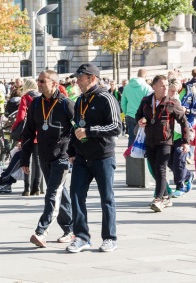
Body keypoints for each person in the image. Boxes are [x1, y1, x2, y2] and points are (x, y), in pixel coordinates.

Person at [65, 63, 122, 253]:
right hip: (82, 157)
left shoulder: (107, 98)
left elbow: (116, 127)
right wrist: (72, 151)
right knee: (76, 195)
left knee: (106, 198)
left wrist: (90, 131)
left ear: (92, 78)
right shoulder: (80, 100)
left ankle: (109, 238)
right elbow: (76, 126)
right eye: (77, 79)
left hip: (103, 156)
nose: (77, 82)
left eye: (80, 79)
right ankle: (81, 237)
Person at [21, 70, 75, 248]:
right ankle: (70, 229)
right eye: (38, 81)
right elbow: (28, 132)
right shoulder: (36, 104)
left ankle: (41, 231)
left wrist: (73, 152)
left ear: (54, 83)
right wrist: (24, 159)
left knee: (52, 193)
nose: (39, 83)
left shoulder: (66, 104)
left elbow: (78, 129)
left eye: (43, 81)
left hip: (62, 156)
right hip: (44, 156)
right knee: (61, 193)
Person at [136, 75, 190, 213]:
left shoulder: (172, 103)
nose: (165, 88)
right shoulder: (146, 101)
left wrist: (185, 141)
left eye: (167, 85)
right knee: (154, 170)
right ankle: (166, 196)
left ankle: (158, 199)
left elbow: (183, 121)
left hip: (165, 141)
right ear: (154, 87)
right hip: (150, 141)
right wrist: (140, 120)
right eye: (162, 86)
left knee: (161, 169)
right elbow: (138, 114)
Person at [0, 78, 42, 196]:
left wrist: (15, 128)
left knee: (26, 161)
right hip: (40, 133)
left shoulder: (25, 98)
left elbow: (21, 116)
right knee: (37, 161)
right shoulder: (41, 98)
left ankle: (27, 188)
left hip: (28, 133)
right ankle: (37, 188)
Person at [121, 69, 152, 147]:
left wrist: (126, 112)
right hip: (143, 117)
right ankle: (142, 158)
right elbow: (151, 103)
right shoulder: (147, 87)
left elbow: (123, 103)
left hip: (130, 115)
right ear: (145, 76)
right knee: (144, 138)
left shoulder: (127, 87)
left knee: (131, 138)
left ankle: (131, 158)